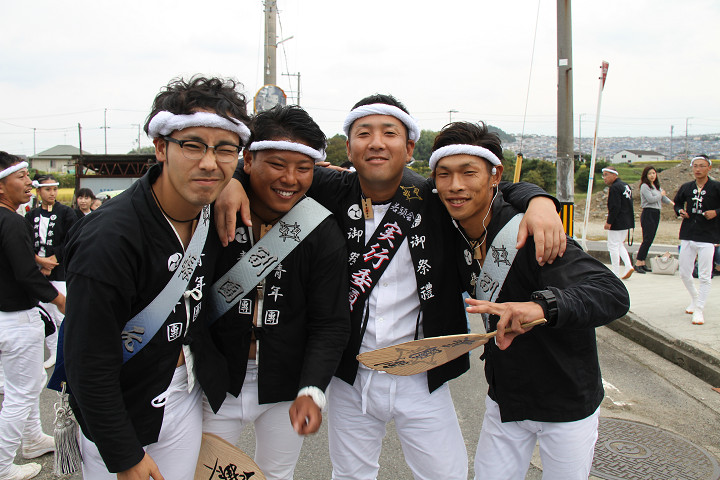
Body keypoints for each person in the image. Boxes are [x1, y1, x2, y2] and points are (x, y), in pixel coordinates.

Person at [215, 94, 566, 479]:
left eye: (390, 133)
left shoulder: (436, 197)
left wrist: (539, 200)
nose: (377, 143)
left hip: (422, 370)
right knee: (350, 474)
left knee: (446, 474)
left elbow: (491, 187)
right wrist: (233, 182)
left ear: (410, 148)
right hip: (352, 374)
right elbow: (268, 168)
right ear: (349, 148)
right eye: (364, 133)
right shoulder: (327, 186)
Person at [62, 76, 251, 480]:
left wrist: (234, 182)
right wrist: (123, 454)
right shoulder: (108, 239)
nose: (209, 162)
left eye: (225, 149)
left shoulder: (208, 211)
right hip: (121, 403)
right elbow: (87, 361)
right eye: (193, 145)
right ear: (161, 147)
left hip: (183, 391)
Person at [429, 122, 630, 480]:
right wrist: (538, 196)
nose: (455, 185)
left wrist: (541, 307)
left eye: (468, 172)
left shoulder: (532, 232)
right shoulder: (452, 225)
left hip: (566, 401)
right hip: (505, 398)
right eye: (444, 174)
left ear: (494, 175)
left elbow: (611, 292)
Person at [202, 105, 350, 479]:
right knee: (204, 474)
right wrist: (230, 182)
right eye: (277, 164)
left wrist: (312, 390)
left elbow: (331, 322)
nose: (290, 179)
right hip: (216, 379)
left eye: (303, 168)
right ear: (248, 161)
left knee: (277, 474)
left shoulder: (321, 229)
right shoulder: (213, 209)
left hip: (286, 382)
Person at [0, 152, 65, 480]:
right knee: (22, 392)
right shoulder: (12, 220)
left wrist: (36, 261)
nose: (30, 182)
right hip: (16, 319)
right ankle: (2, 464)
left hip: (6, 317)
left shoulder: (8, 219)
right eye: (22, 176)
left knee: (23, 384)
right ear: (1, 186)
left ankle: (33, 439)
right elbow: (25, 275)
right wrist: (60, 300)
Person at [25, 174, 77, 369]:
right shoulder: (31, 215)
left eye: (54, 189)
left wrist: (53, 260)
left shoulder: (66, 213)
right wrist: (39, 261)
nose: (52, 193)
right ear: (39, 191)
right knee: (44, 315)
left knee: (63, 313)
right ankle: (53, 351)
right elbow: (25, 241)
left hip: (59, 271)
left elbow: (72, 238)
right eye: (47, 189)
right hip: (37, 271)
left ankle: (68, 352)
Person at [673, 155, 720, 325]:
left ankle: (699, 309)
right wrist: (680, 211)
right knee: (684, 273)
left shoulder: (716, 187)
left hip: (707, 235)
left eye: (702, 166)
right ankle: (695, 297)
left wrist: (716, 212)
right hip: (688, 233)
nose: (698, 169)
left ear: (709, 168)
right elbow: (677, 203)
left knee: (705, 275)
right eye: (695, 166)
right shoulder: (687, 187)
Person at [634, 166, 674, 273]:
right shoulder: (645, 186)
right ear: (646, 175)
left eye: (654, 173)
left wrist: (674, 205)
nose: (652, 175)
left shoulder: (656, 186)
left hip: (656, 213)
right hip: (648, 212)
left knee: (650, 239)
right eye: (650, 173)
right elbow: (651, 199)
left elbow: (664, 198)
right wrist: (661, 194)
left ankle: (643, 262)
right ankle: (638, 262)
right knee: (647, 239)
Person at [602, 167, 635, 279]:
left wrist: (609, 221)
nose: (604, 178)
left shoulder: (615, 187)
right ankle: (628, 265)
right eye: (603, 175)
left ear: (614, 175)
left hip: (618, 220)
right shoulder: (625, 185)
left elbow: (615, 206)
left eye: (606, 175)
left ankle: (615, 272)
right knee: (619, 244)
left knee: (612, 246)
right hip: (627, 219)